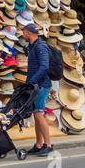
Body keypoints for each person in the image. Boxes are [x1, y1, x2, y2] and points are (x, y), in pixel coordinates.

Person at [22, 23, 53, 157]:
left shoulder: (40, 46)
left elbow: (44, 67)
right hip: (36, 85)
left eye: (24, 32)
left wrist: (32, 81)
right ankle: (39, 144)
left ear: (29, 33)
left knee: (39, 114)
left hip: (41, 85)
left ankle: (48, 145)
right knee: (36, 114)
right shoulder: (33, 46)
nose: (23, 35)